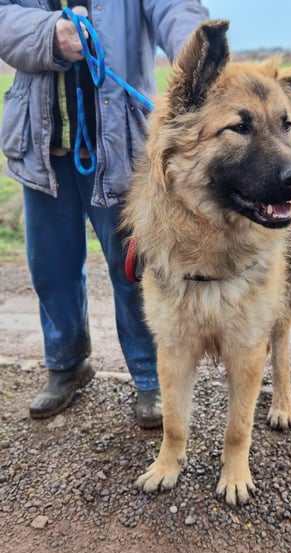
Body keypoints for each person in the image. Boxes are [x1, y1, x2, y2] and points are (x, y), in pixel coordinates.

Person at [0, 0, 209, 427]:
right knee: (51, 268)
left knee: (134, 267)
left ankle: (152, 376)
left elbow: (175, 7)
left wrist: (202, 56)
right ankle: (67, 363)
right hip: (42, 145)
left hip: (120, 146)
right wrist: (48, 33)